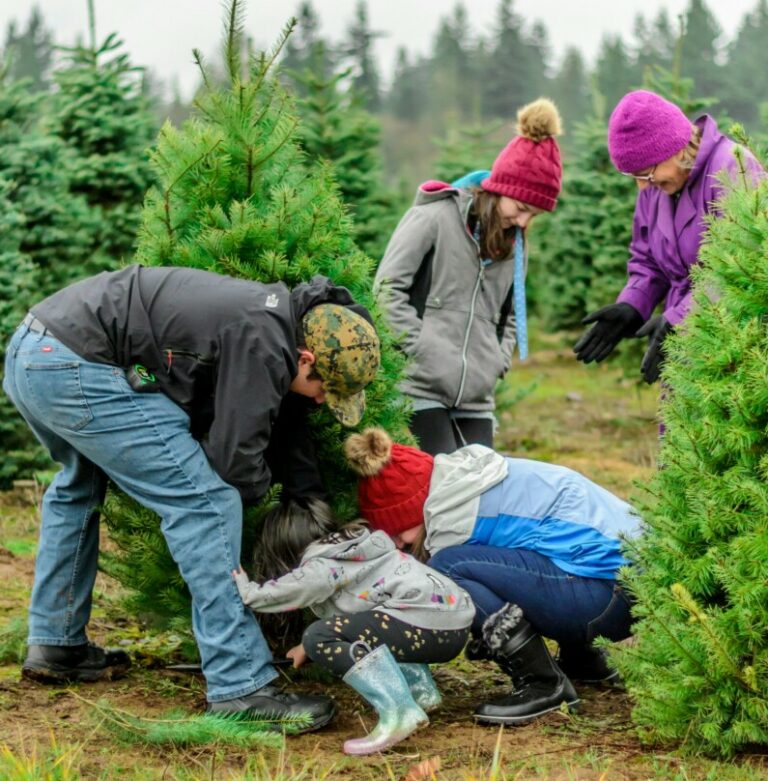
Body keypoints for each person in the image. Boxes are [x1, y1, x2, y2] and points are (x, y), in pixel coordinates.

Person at [2, 264, 380, 732]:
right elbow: (233, 462)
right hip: (75, 364)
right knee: (207, 505)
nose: (321, 401)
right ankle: (240, 684)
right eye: (324, 389)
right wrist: (261, 503)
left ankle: (56, 642)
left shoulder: (269, 316)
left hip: (36, 351)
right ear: (305, 359)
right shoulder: (264, 343)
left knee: (78, 487)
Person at [344, 427, 640, 725]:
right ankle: (582, 660)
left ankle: (544, 684)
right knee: (542, 550)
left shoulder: (451, 519)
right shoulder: (471, 478)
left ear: (411, 511)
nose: (397, 543)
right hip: (633, 588)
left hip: (608, 600)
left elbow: (441, 601)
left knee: (446, 568)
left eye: (395, 531)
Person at [374, 98, 562, 455]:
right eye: (521, 208)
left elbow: (509, 316)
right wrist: (418, 348)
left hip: (476, 396)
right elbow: (387, 289)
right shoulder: (434, 218)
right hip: (418, 387)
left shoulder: (516, 244)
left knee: (482, 483)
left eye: (534, 215)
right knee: (443, 480)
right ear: (500, 189)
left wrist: (495, 362)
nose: (524, 222)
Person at [233, 497, 474, 755]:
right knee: (377, 624)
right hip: (453, 623)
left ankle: (400, 712)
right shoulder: (356, 548)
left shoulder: (321, 565)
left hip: (425, 623)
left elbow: (286, 591)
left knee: (318, 636)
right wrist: (304, 647)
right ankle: (420, 692)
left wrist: (248, 591)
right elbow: (362, 620)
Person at [574, 89, 764, 382]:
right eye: (633, 176)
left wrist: (680, 319)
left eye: (645, 172)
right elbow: (647, 259)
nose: (642, 186)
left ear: (674, 148)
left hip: (738, 342)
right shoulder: (655, 187)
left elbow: (742, 263)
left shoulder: (733, 168)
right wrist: (633, 303)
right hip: (683, 343)